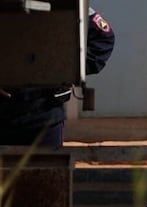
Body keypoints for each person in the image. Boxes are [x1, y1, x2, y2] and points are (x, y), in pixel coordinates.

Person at [0, 7, 115, 147]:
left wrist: (66, 69)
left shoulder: (64, 3)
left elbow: (102, 39)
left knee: (47, 167)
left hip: (44, 114)